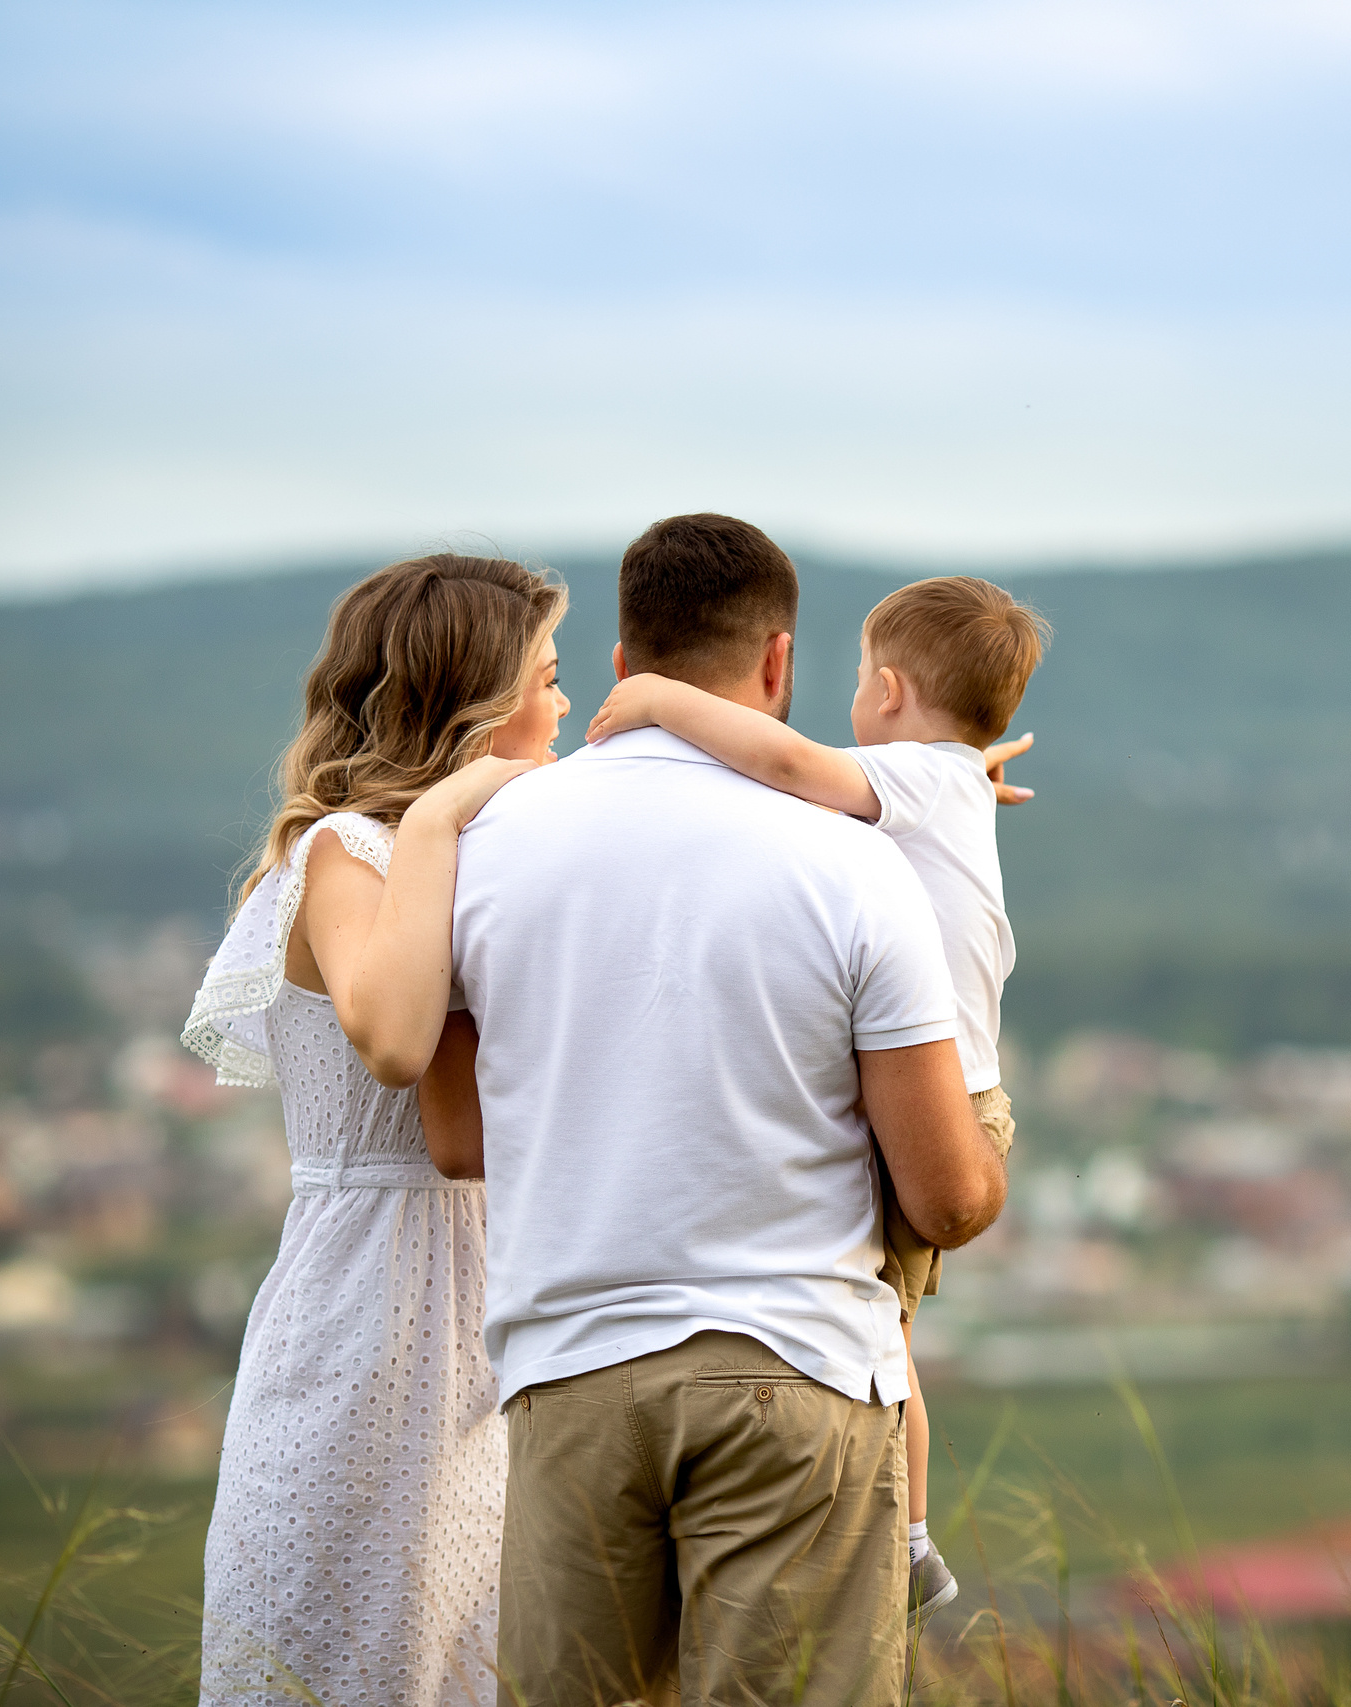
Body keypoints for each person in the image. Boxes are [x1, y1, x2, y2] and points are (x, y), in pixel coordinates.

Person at [449, 514, 1009, 1707]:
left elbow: (454, 1132)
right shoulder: (855, 861)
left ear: (617, 668)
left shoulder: (485, 846)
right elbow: (947, 1198)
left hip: (567, 1373)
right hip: (794, 1363)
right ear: (777, 664)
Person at [584, 572, 1047, 1618]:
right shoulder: (944, 781)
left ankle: (910, 1535)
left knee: (882, 1339)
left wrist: (657, 700)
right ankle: (908, 1531)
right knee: (883, 1330)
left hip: (940, 1111)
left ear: (885, 690)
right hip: (944, 1097)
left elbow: (788, 765)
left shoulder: (914, 781)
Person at [181, 552, 569, 1707]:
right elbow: (396, 1042)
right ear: (478, 700)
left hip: (488, 1303)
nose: (567, 705)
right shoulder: (347, 852)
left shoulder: (476, 855)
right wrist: (449, 811)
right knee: (357, 1648)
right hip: (371, 1307)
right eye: (547, 676)